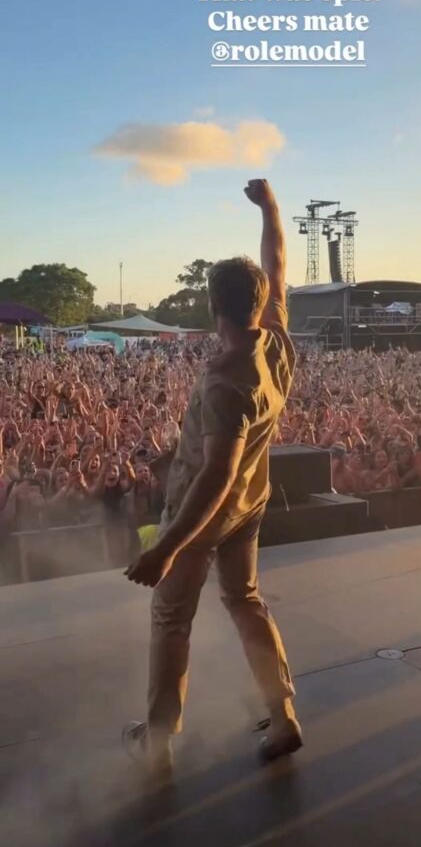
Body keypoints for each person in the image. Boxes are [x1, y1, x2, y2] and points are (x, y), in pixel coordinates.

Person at [123, 180, 301, 775]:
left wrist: (166, 549)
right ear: (258, 302)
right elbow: (277, 262)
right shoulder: (274, 338)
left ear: (211, 308)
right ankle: (283, 716)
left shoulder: (228, 383)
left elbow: (217, 475)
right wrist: (271, 209)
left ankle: (157, 742)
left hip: (206, 514)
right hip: (250, 505)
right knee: (245, 599)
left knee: (172, 617)